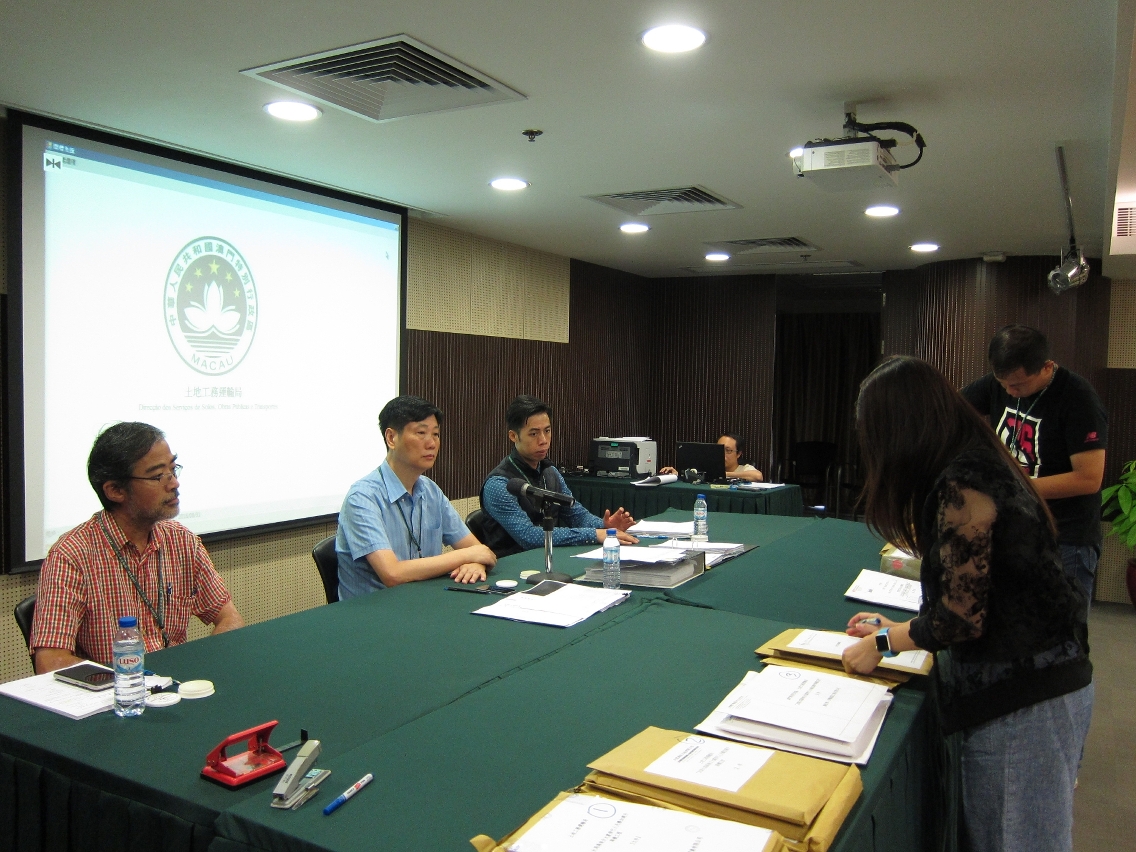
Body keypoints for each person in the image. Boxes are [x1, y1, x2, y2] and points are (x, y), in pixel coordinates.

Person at [842, 356, 1092, 852]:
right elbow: (979, 595)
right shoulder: (978, 461)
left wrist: (884, 642)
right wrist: (910, 625)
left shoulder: (962, 483)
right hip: (1038, 686)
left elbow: (960, 619)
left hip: (1025, 700)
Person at [30, 422, 244, 673]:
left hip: (175, 689)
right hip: (116, 698)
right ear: (115, 491)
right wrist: (130, 683)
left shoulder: (182, 541)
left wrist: (203, 667)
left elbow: (230, 617)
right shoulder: (71, 555)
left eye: (173, 470)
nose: (173, 483)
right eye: (157, 476)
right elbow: (51, 662)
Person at [961, 324, 1107, 606]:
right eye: (1003, 383)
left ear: (1047, 367)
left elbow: (1088, 478)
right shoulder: (1000, 383)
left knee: (1064, 633)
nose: (1010, 391)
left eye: (1018, 384)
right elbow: (954, 409)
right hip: (1016, 528)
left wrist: (1010, 486)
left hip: (1066, 537)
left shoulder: (1078, 399)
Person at [336, 395, 497, 598]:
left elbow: (479, 550)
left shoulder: (430, 491)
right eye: (421, 433)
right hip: (372, 615)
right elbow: (392, 574)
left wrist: (475, 562)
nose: (431, 443)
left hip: (422, 603)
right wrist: (467, 556)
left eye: (436, 434)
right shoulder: (362, 498)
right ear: (391, 438)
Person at [479, 395, 638, 557]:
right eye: (533, 434)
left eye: (547, 431)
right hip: (512, 565)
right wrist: (595, 534)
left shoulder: (550, 471)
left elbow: (576, 515)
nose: (543, 440)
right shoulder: (498, 483)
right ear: (513, 436)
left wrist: (605, 525)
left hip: (548, 557)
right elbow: (528, 537)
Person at [660, 434, 764, 481]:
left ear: (738, 454)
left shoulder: (744, 468)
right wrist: (676, 474)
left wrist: (724, 474)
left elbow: (758, 476)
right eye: (719, 449)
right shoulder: (707, 467)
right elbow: (695, 475)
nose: (722, 454)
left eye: (728, 451)